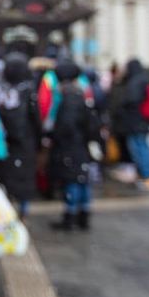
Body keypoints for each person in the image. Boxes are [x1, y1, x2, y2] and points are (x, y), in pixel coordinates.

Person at [48, 60, 103, 231]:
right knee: (82, 179)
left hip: (71, 146)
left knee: (72, 180)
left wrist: (56, 137)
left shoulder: (69, 98)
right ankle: (83, 214)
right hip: (81, 145)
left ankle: (70, 216)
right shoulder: (81, 94)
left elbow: (66, 125)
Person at [0, 52, 42, 220]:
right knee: (24, 181)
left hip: (2, 142)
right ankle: (22, 215)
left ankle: (5, 214)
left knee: (3, 180)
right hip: (25, 143)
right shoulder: (29, 90)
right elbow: (36, 119)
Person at [122, 59, 149, 191]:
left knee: (139, 148)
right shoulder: (145, 79)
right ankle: (147, 175)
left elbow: (131, 101)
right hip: (144, 121)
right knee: (144, 147)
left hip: (136, 122)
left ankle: (147, 176)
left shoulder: (135, 82)